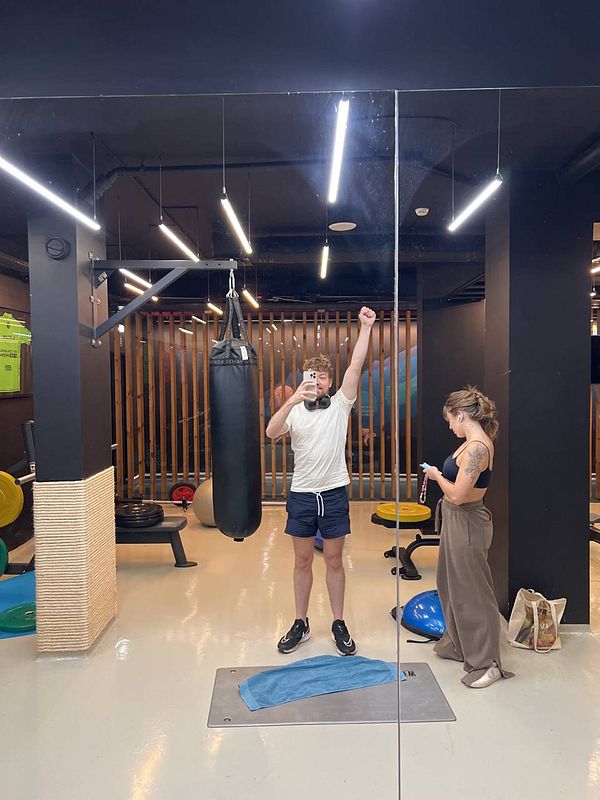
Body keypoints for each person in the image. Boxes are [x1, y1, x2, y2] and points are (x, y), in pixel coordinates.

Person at [266, 306, 376, 656]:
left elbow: (356, 365)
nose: (318, 382)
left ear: (330, 382)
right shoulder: (295, 410)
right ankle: (300, 622)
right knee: (301, 562)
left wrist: (366, 327)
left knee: (333, 561)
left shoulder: (341, 404)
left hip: (332, 493)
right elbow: (271, 432)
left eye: (323, 377)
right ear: (304, 379)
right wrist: (292, 399)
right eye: (311, 377)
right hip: (301, 494)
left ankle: (338, 623)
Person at [422, 386, 514, 688]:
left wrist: (437, 476)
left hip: (467, 521)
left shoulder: (477, 449)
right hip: (454, 519)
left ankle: (488, 662)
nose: (450, 426)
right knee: (449, 583)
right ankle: (460, 644)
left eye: (450, 420)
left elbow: (459, 495)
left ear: (461, 415)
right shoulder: (469, 444)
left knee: (474, 592)